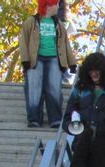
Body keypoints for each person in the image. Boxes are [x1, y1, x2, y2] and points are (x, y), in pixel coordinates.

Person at [19, 0, 77, 128]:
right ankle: (34, 119)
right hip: (35, 59)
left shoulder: (58, 24)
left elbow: (66, 45)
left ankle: (55, 119)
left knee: (54, 88)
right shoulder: (31, 21)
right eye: (55, 4)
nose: (58, 6)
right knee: (34, 89)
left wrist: (71, 63)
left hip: (54, 59)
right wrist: (25, 60)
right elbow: (23, 41)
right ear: (47, 5)